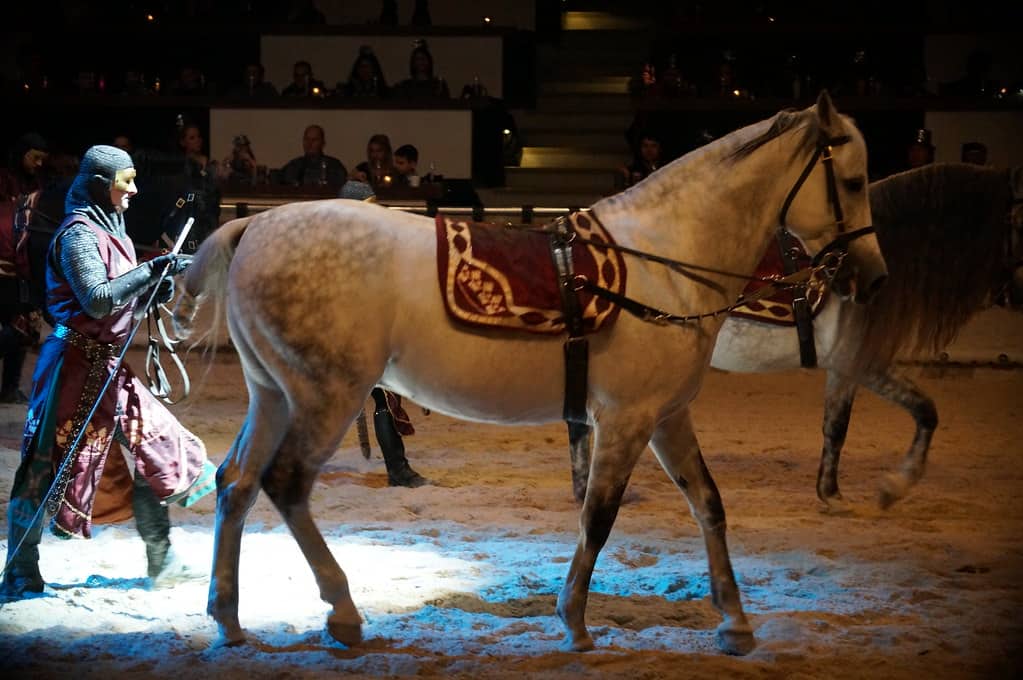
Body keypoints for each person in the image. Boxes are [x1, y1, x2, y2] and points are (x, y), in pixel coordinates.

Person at [1, 145, 217, 601]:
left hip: (109, 367)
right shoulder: (78, 234)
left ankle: (162, 557)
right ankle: (19, 569)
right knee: (43, 464)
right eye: (126, 181)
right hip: (70, 367)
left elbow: (121, 304)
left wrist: (152, 290)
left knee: (155, 450)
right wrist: (150, 271)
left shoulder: (114, 232)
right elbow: (98, 300)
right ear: (101, 185)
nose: (134, 190)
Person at [0, 133, 49, 404]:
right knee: (16, 327)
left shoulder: (37, 184)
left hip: (22, 262)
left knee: (21, 327)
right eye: (35, 157)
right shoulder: (3, 179)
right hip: (5, 259)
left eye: (42, 159)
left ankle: (10, 387)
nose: (38, 164)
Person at [177, 123, 221, 250]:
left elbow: (216, 189)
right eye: (192, 138)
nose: (197, 141)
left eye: (198, 137)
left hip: (211, 216)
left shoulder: (211, 164)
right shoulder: (182, 166)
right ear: (183, 142)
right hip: (191, 216)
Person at [280, 125, 347, 187]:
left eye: (314, 140)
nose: (309, 143)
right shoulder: (294, 166)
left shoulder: (334, 166)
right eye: (307, 139)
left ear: (322, 143)